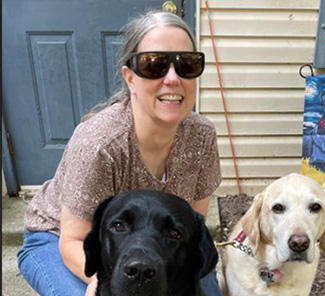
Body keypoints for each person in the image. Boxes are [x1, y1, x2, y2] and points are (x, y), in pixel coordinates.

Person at [17, 10, 222, 296]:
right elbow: (71, 240)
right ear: (130, 78)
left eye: (187, 65)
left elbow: (190, 232)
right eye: (154, 65)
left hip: (154, 245)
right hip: (58, 239)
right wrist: (97, 283)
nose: (173, 78)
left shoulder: (202, 136)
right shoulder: (98, 144)